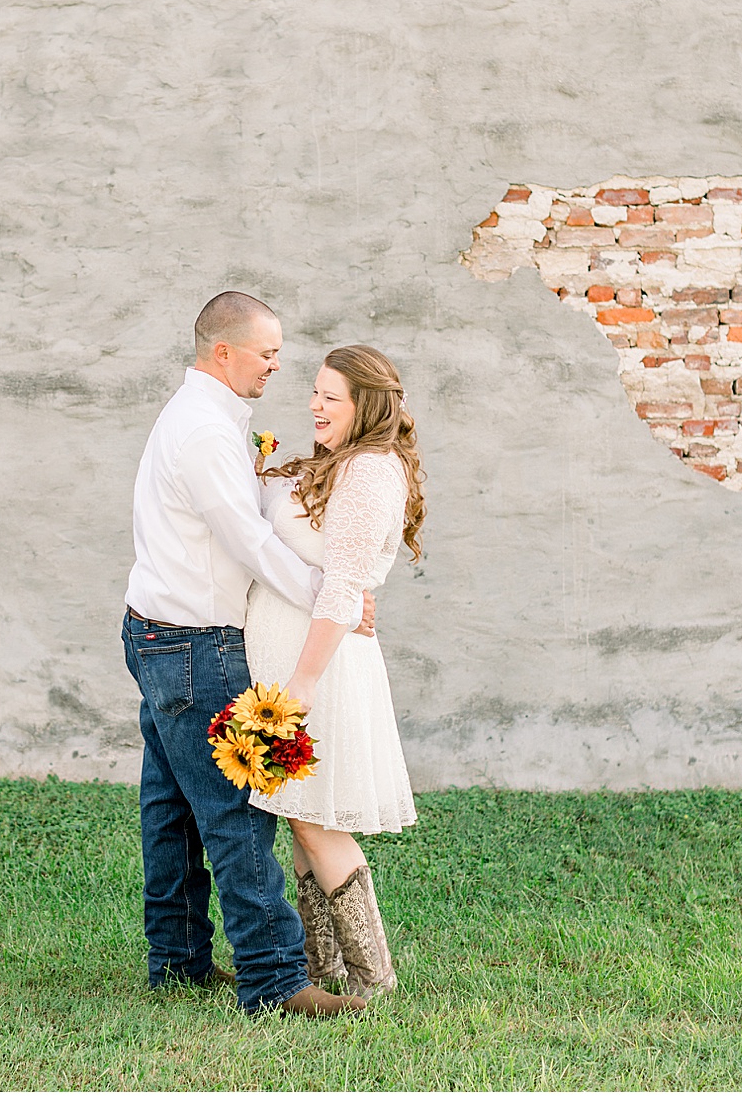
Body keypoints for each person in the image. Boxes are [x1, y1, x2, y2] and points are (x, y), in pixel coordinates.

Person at [121, 291, 375, 1018]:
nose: (276, 365)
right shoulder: (203, 430)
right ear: (222, 351)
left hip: (158, 632)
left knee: (171, 810)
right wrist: (337, 597)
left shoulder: (203, 415)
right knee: (239, 813)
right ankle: (274, 979)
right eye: (267, 352)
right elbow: (250, 542)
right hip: (197, 648)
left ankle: (177, 961)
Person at [245, 344, 425, 1000]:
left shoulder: (372, 473)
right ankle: (324, 970)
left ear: (366, 406)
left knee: (319, 820)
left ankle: (372, 976)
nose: (315, 405)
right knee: (302, 815)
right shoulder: (338, 463)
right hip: (295, 663)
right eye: (315, 392)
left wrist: (302, 682)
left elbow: (344, 587)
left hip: (317, 670)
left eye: (331, 397)